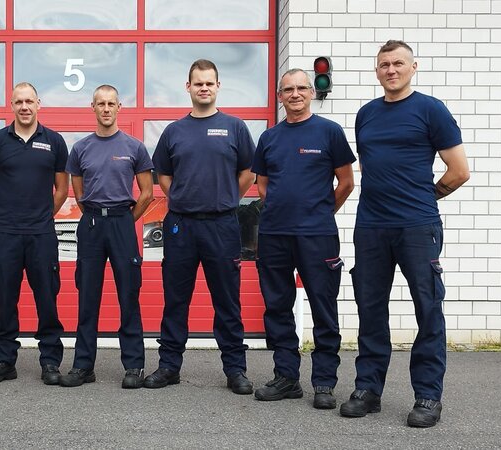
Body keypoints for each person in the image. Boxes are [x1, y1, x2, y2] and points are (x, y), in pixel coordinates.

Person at [339, 40, 470, 428]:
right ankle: (368, 390)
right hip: (372, 226)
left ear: (414, 67)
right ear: (377, 71)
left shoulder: (430, 110)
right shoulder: (366, 114)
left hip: (417, 226)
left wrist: (426, 197)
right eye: (384, 65)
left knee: (428, 310)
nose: (391, 70)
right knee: (370, 309)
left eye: (398, 63)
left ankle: (428, 396)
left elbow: (458, 170)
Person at [148, 59, 257, 394]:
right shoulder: (174, 131)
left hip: (222, 225)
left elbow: (247, 173)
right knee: (176, 298)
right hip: (181, 226)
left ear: (218, 86)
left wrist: (224, 199)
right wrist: (181, 197)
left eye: (210, 83)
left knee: (227, 300)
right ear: (189, 87)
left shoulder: (235, 127)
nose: (204, 88)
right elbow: (163, 175)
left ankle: (235, 369)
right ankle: (169, 366)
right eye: (198, 83)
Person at [251, 69, 355, 408]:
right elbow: (263, 185)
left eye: (300, 88)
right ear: (279, 96)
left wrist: (322, 212)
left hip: (317, 236)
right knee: (277, 306)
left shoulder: (329, 132)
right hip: (274, 235)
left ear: (310, 92)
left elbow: (346, 182)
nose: (294, 94)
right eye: (287, 90)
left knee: (323, 306)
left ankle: (324, 382)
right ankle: (287, 377)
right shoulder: (269, 137)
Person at [59, 85, 154, 389]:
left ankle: (134, 365)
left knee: (129, 295)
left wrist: (125, 221)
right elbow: (78, 189)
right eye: (100, 104)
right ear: (93, 107)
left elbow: (147, 193)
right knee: (87, 296)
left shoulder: (134, 147)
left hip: (121, 223)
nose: (106, 109)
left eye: (111, 103)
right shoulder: (81, 148)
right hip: (91, 226)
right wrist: (95, 215)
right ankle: (83, 366)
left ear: (119, 107)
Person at [0, 82, 69, 386]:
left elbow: (62, 189)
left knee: (47, 298)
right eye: (19, 102)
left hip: (41, 234)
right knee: (5, 299)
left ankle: (50, 361)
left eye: (30, 101)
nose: (25, 107)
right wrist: (5, 213)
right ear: (12, 105)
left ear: (39, 104)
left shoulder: (54, 141)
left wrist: (42, 215)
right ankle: (4, 361)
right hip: (6, 233)